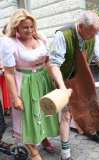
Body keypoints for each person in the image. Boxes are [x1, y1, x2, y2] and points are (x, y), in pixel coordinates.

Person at [49, 10, 99, 160]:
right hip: (65, 79)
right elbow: (54, 65)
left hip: (82, 77)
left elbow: (98, 57)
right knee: (67, 115)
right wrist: (62, 88)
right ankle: (65, 154)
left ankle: (93, 133)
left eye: (95, 34)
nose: (93, 37)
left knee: (90, 105)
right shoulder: (63, 35)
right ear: (81, 26)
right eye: (91, 34)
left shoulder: (92, 35)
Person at [0, 9, 59, 160]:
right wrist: (15, 97)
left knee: (44, 111)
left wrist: (54, 81)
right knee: (27, 116)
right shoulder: (10, 43)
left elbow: (47, 61)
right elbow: (9, 72)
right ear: (16, 28)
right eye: (25, 27)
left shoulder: (40, 37)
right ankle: (33, 152)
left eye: (31, 26)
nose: (30, 30)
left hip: (43, 79)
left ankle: (44, 138)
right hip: (24, 82)